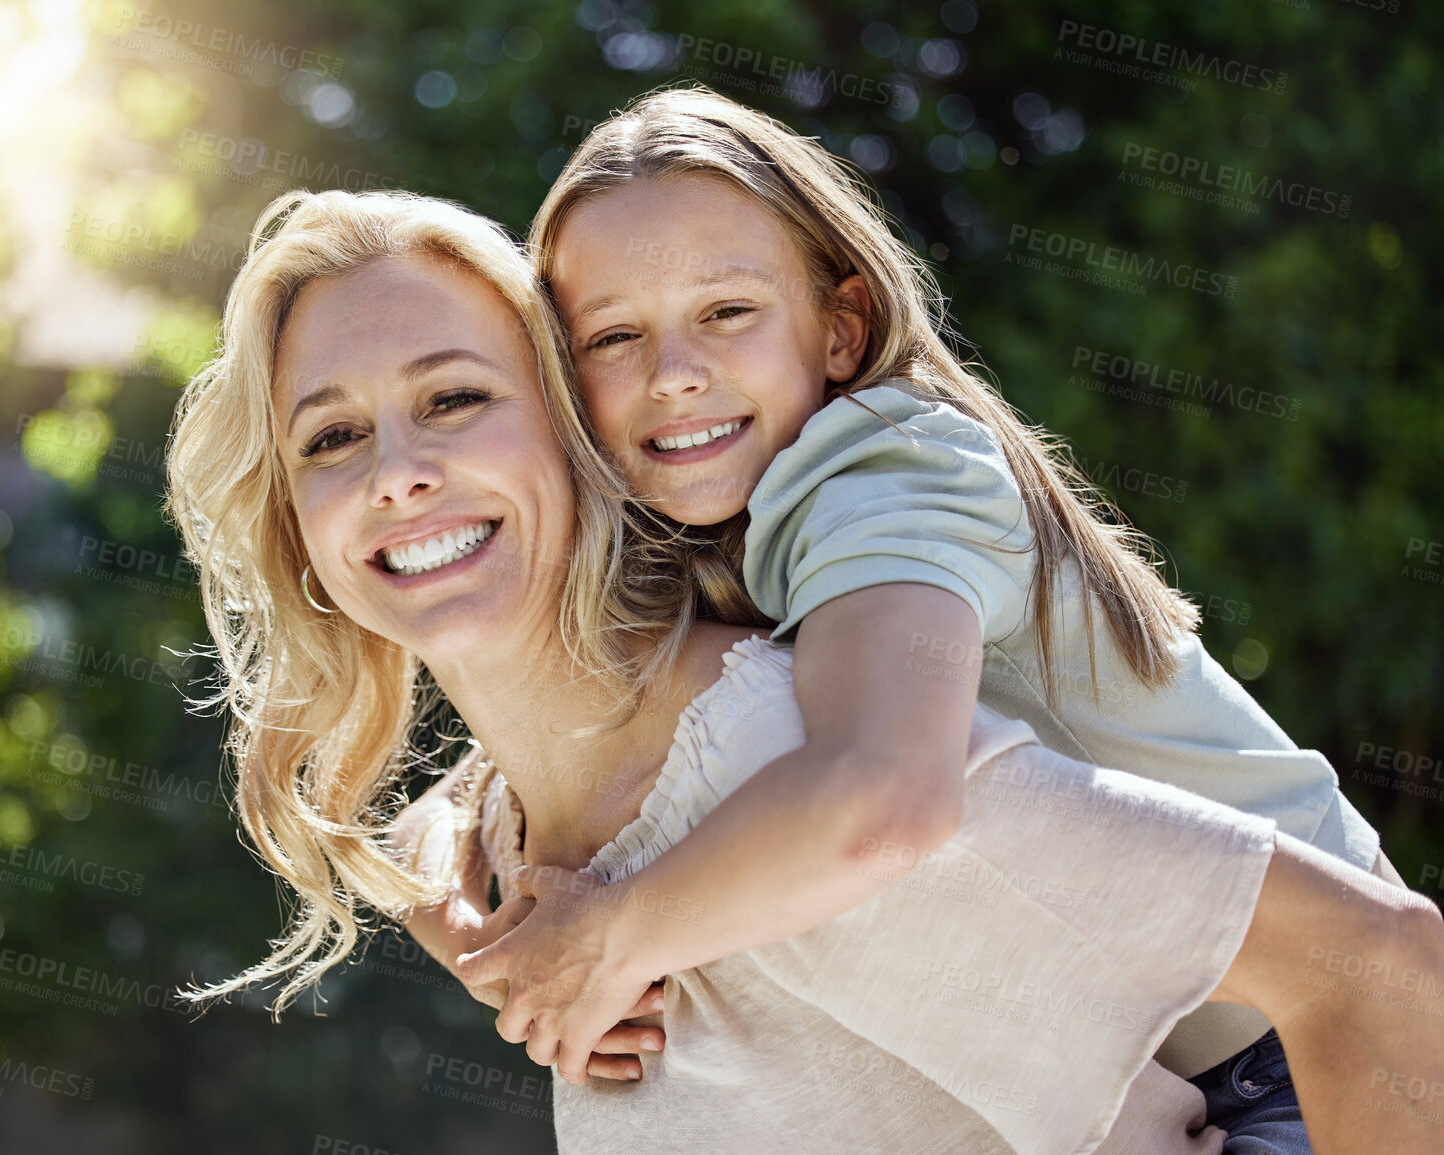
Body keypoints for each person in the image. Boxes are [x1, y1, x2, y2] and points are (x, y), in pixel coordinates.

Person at [162, 187, 1444, 1154]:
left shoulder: (786, 755)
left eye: (453, 399)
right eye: (331, 436)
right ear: (296, 527)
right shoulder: (506, 861)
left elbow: (1377, 964)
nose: (396, 471)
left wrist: (606, 931)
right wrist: (480, 930)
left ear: (578, 439)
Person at [450, 86, 1415, 1149]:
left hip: (1313, 1027)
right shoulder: (713, 528)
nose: (674, 375)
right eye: (613, 336)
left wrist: (614, 939)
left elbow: (888, 797)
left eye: (727, 313)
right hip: (1204, 1043)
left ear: (841, 326)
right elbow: (446, 813)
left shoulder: (883, 474)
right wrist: (493, 941)